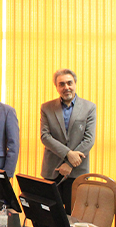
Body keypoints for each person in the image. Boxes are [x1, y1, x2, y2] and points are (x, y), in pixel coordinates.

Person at [41, 69, 96, 214]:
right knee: (50, 216)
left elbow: (89, 139)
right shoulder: (46, 108)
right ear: (56, 87)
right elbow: (45, 136)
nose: (66, 87)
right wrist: (68, 154)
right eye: (62, 84)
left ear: (75, 84)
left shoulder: (89, 107)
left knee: (74, 216)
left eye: (69, 83)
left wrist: (70, 163)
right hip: (52, 170)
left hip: (77, 171)